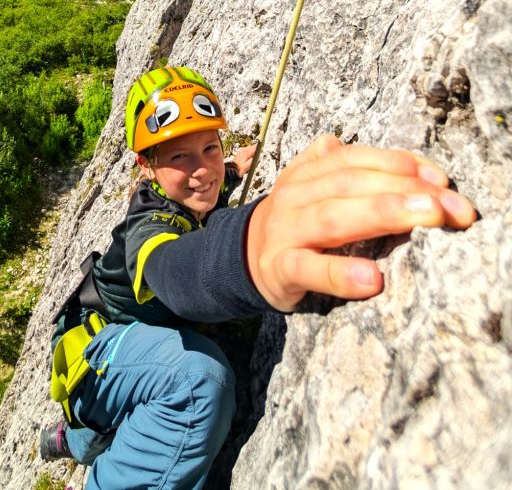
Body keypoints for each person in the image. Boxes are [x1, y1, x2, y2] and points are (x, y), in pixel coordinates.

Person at [41, 66, 476, 490]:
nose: (201, 170)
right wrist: (246, 250)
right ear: (146, 166)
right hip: (99, 349)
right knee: (197, 379)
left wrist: (232, 167)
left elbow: (211, 175)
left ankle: (73, 438)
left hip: (119, 353)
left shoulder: (196, 180)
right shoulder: (147, 226)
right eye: (178, 157)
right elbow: (172, 269)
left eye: (209, 148)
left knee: (109, 422)